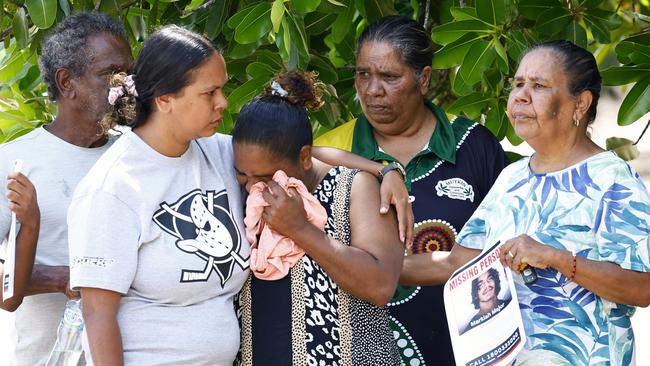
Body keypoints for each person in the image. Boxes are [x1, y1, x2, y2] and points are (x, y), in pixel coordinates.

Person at [407, 40, 650, 365]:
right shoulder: (513, 176)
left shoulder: (613, 180)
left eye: (538, 86)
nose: (521, 95)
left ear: (580, 104)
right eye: (518, 84)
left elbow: (641, 288)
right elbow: (458, 263)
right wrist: (364, 266)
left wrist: (555, 258)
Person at [314, 15, 508, 365]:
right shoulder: (330, 151)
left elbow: (504, 250)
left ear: (424, 79)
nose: (372, 90)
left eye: (389, 77)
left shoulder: (473, 145)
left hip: (467, 351)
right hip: (360, 352)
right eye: (363, 75)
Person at [66, 25, 251, 365]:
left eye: (222, 90)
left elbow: (302, 157)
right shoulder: (113, 186)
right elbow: (97, 313)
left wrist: (382, 170)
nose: (223, 103)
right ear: (165, 100)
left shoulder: (221, 154)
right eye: (209, 93)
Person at [232, 71, 403, 365]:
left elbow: (380, 286)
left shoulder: (354, 186)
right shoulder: (247, 182)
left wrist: (300, 229)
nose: (252, 187)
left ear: (303, 158)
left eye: (263, 176)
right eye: (243, 174)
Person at [0, 12, 132, 365]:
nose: (125, 85)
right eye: (110, 74)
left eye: (129, 73)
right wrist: (62, 276)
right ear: (66, 82)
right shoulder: (14, 163)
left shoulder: (137, 154)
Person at [464, 268, 510, 333]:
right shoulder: (471, 326)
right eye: (480, 284)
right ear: (475, 293)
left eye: (490, 279)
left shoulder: (509, 303)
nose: (487, 285)